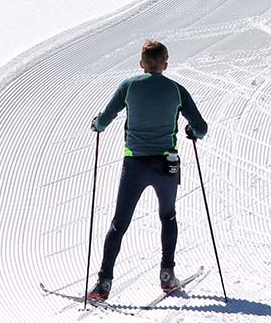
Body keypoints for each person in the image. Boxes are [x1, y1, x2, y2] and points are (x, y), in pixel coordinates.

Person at [86, 39, 208, 301]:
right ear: (165, 64)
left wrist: (97, 125)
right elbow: (201, 128)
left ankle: (103, 283)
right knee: (168, 216)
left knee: (119, 223)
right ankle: (167, 275)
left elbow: (105, 119)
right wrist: (191, 131)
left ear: (141, 63)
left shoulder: (129, 86)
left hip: (135, 165)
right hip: (167, 165)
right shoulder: (176, 90)